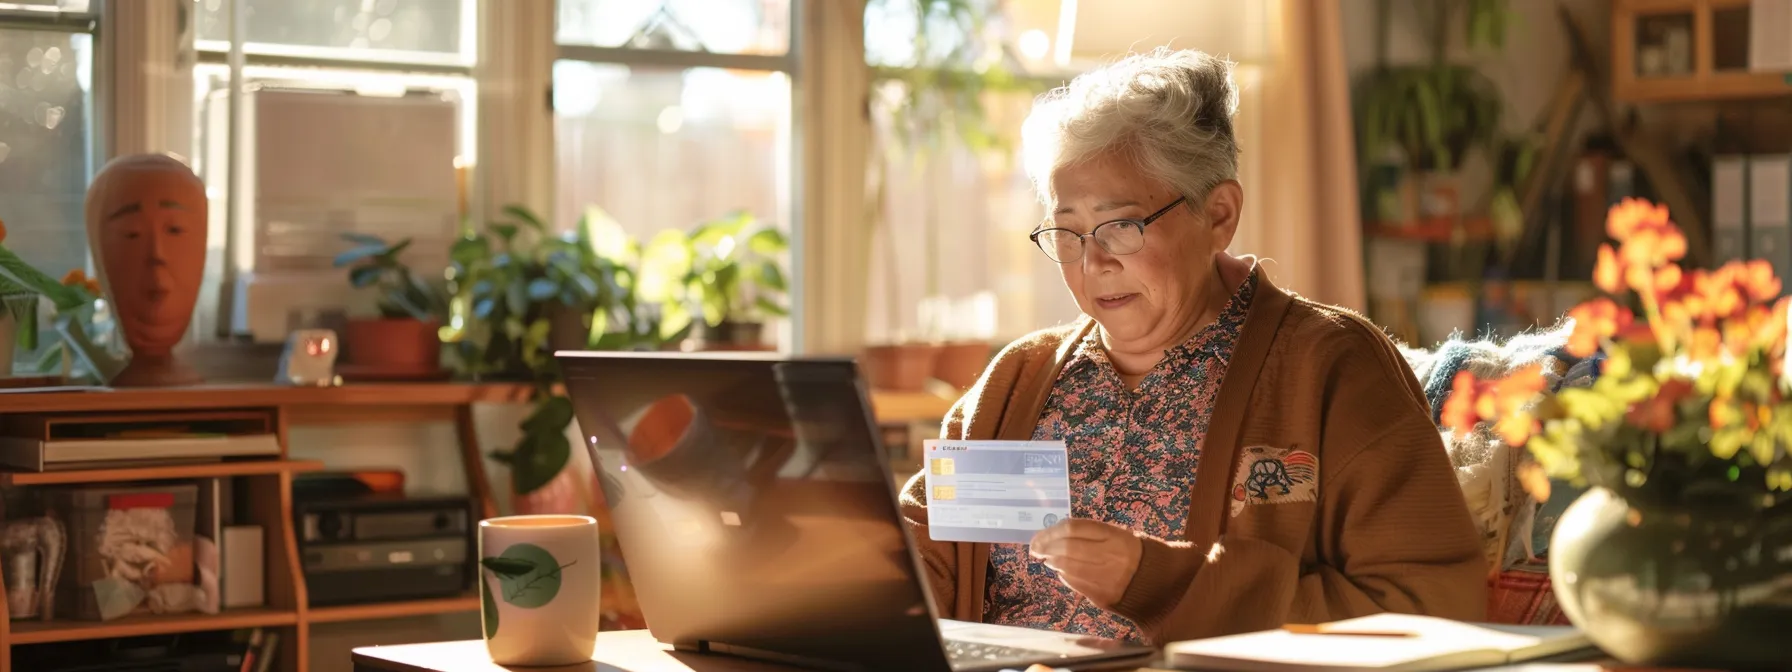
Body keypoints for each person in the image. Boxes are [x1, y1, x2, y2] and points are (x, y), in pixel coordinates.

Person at [898, 48, 1486, 646]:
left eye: (1121, 224)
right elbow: (920, 553)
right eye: (1068, 231)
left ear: (1219, 214)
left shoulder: (1329, 365)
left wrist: (1163, 581)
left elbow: (1429, 608)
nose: (1093, 262)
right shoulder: (1018, 380)